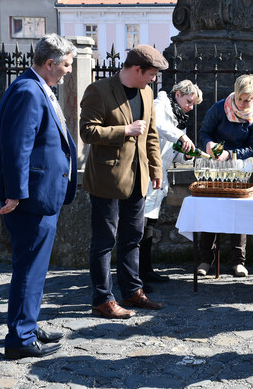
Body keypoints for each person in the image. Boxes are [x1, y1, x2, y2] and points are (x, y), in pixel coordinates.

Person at [0, 34, 78, 359]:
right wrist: (15, 194)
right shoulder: (28, 91)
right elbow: (17, 146)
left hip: (39, 196)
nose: (69, 69)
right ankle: (20, 339)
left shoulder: (35, 86)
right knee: (29, 268)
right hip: (30, 199)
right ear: (50, 63)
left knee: (34, 267)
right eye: (66, 64)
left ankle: (27, 323)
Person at [80, 45, 166, 319]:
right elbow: (87, 131)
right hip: (107, 179)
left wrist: (156, 168)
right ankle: (102, 299)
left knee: (133, 238)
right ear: (136, 69)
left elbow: (150, 133)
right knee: (105, 240)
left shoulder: (147, 93)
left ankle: (132, 291)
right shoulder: (99, 90)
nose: (153, 79)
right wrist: (124, 131)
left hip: (139, 177)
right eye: (151, 74)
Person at [196, 74, 253, 277]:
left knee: (238, 212)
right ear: (234, 94)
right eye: (241, 99)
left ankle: (238, 262)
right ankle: (206, 260)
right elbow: (204, 133)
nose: (244, 104)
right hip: (213, 166)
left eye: (249, 100)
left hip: (239, 167)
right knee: (211, 210)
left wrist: (232, 154)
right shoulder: (218, 108)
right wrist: (208, 144)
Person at [140, 80, 203, 289]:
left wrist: (186, 154)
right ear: (177, 94)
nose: (190, 107)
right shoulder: (161, 104)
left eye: (193, 104)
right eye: (189, 101)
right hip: (146, 172)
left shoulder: (178, 118)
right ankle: (137, 274)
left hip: (158, 176)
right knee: (140, 228)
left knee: (149, 226)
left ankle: (146, 271)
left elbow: (174, 153)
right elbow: (157, 124)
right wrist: (182, 135)